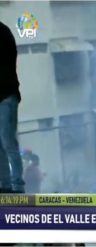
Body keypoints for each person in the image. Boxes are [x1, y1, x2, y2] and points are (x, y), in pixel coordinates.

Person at [0, 21, 25, 193]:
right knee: (2, 143)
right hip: (4, 95)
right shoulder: (5, 31)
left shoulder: (3, 33)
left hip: (6, 95)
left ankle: (16, 185)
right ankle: (6, 184)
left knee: (7, 141)